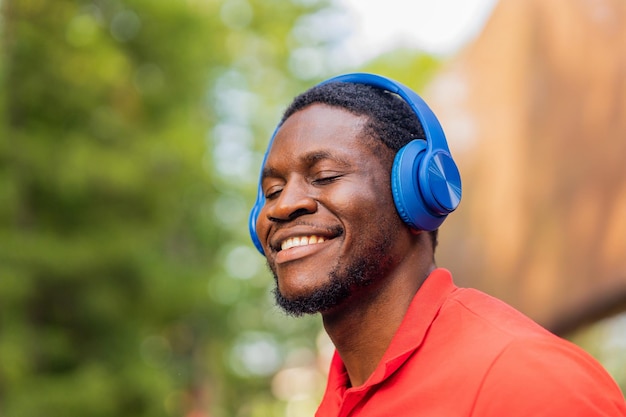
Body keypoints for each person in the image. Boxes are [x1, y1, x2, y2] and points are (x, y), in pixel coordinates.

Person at [248, 73, 626, 416]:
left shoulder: (529, 381)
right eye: (273, 190)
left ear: (418, 192)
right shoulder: (335, 403)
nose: (283, 205)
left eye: (325, 175)